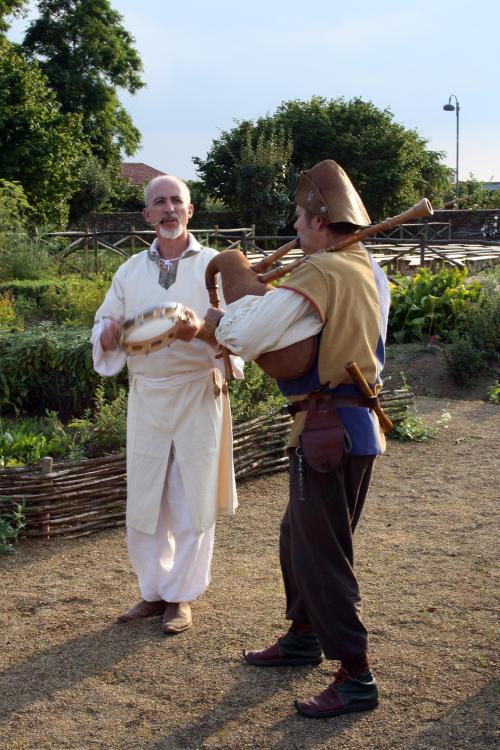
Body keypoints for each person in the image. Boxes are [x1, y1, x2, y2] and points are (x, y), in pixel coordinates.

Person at [177, 160, 391, 717]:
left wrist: (233, 306)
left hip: (327, 430)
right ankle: (303, 637)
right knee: (299, 537)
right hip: (349, 427)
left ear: (320, 220)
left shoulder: (322, 272)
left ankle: (356, 675)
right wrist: (270, 298)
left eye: (299, 217)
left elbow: (245, 335)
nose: (294, 227)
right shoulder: (365, 268)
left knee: (322, 554)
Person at [91, 175, 242, 635]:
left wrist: (200, 331)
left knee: (191, 495)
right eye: (159, 202)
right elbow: (104, 322)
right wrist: (109, 334)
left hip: (198, 389)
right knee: (146, 497)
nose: (169, 208)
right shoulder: (129, 270)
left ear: (190, 211)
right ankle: (153, 591)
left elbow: (245, 329)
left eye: (177, 200)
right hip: (148, 394)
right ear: (147, 215)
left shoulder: (217, 265)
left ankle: (182, 597)